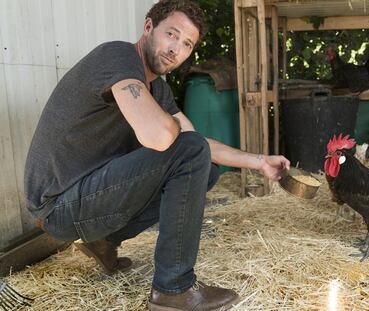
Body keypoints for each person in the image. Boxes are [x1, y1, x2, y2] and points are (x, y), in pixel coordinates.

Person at [24, 0, 290, 310]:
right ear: (148, 27)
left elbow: (195, 142)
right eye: (171, 34)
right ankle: (173, 289)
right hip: (57, 204)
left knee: (204, 167)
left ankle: (104, 241)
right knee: (190, 153)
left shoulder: (157, 88)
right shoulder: (119, 57)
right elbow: (161, 136)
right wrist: (178, 134)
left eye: (187, 44)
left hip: (85, 198)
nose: (176, 49)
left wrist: (259, 162)